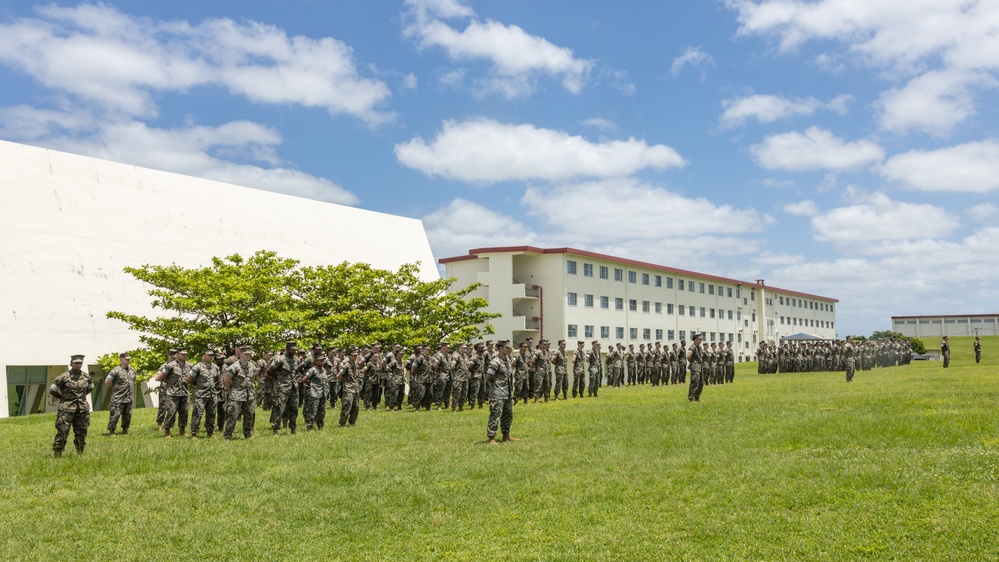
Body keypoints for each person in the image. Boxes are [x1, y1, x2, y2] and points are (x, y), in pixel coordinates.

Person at [50, 355, 93, 458]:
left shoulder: (87, 377)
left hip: (82, 409)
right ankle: (58, 453)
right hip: (66, 409)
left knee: (82, 431)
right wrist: (64, 399)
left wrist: (80, 398)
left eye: (80, 363)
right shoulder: (63, 377)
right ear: (71, 363)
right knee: (63, 431)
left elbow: (90, 388)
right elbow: (52, 390)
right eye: (76, 363)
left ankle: (80, 452)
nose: (78, 365)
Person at [485, 340, 517, 445]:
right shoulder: (495, 362)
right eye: (507, 348)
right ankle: (491, 438)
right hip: (498, 393)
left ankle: (506, 436)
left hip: (507, 393)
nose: (509, 350)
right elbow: (489, 377)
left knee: (508, 415)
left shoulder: (507, 360)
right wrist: (497, 386)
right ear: (500, 348)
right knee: (495, 415)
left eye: (510, 348)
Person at [223, 346, 258, 440]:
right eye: (246, 354)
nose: (249, 356)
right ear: (241, 354)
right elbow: (226, 380)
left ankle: (248, 434)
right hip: (236, 395)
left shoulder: (252, 366)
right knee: (232, 415)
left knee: (249, 415)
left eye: (250, 354)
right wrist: (231, 390)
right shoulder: (234, 367)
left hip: (249, 395)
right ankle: (228, 436)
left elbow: (253, 378)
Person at [156, 348, 192, 438]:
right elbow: (159, 377)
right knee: (171, 412)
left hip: (184, 393)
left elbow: (192, 378)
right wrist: (169, 382)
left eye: (185, 354)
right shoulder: (170, 366)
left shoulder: (190, 365)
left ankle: (182, 431)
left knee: (185, 412)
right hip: (172, 393)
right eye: (182, 354)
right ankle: (167, 431)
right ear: (177, 354)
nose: (184, 355)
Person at [267, 341, 301, 435]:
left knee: (294, 408)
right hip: (282, 388)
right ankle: (275, 430)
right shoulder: (280, 360)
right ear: (287, 348)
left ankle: (293, 429)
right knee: (279, 408)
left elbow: (297, 371)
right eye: (292, 349)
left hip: (294, 387)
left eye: (295, 350)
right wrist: (278, 379)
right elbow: (269, 371)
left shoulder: (297, 360)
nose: (294, 351)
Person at [187, 349, 220, 439]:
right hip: (200, 395)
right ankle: (194, 433)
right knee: (197, 414)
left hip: (212, 394)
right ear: (203, 356)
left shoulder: (215, 367)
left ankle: (210, 432)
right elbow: (189, 379)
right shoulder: (197, 367)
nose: (211, 357)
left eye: (211, 355)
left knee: (212, 414)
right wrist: (197, 385)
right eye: (208, 355)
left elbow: (218, 378)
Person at [104, 351, 135, 436]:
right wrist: (116, 388)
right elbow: (107, 381)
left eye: (129, 359)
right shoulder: (115, 370)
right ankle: (112, 431)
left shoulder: (132, 370)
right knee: (115, 415)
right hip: (118, 397)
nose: (128, 361)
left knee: (127, 415)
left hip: (129, 397)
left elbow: (133, 380)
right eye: (126, 359)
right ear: (121, 359)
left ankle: (125, 429)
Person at [337, 345, 363, 426]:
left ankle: (352, 422)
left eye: (356, 355)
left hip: (355, 388)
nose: (355, 357)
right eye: (354, 355)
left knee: (356, 407)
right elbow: (338, 375)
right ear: (349, 356)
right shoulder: (346, 365)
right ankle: (342, 423)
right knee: (347, 406)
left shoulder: (356, 365)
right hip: (348, 389)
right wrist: (346, 381)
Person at [687, 333, 704, 402]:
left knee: (701, 383)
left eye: (701, 339)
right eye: (699, 339)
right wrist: (693, 363)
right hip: (695, 368)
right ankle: (691, 397)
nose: (701, 340)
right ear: (695, 340)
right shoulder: (692, 347)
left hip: (700, 367)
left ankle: (697, 397)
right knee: (695, 383)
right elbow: (688, 356)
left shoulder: (699, 347)